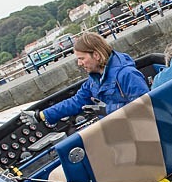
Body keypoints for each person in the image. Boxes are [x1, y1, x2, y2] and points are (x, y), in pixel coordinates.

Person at [20, 33, 149, 125]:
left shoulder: (126, 74)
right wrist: (42, 115)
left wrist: (107, 109)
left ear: (97, 55)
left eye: (81, 58)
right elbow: (76, 102)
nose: (79, 63)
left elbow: (145, 108)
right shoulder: (95, 79)